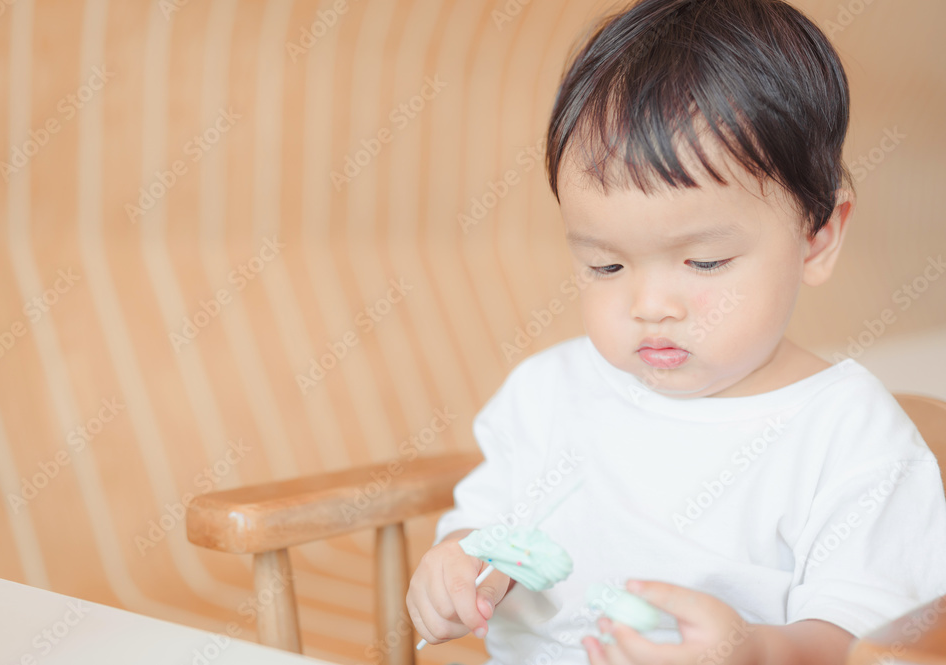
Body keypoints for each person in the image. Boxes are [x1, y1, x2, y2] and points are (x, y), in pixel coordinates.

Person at [404, 0, 946, 664]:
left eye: (705, 261)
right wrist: (456, 562)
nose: (650, 304)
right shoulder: (550, 393)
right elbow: (487, 526)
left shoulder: (849, 437)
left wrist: (753, 650)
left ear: (818, 236)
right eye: (605, 264)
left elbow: (862, 642)